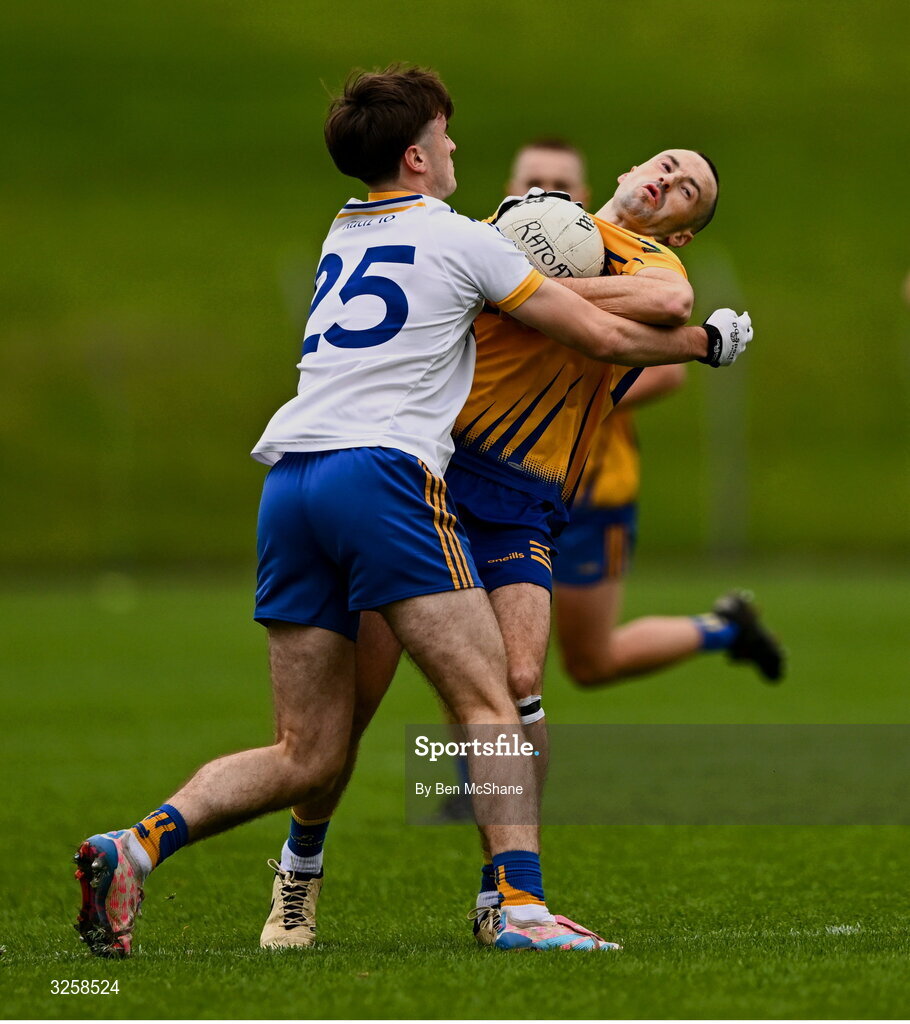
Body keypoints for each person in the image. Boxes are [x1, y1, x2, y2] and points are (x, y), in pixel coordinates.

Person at [73, 66, 749, 958]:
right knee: (472, 705)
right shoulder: (474, 238)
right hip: (405, 479)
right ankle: (506, 909)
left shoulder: (351, 227)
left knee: (320, 744)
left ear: (687, 225)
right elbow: (615, 333)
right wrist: (709, 344)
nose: (460, 147)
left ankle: (135, 846)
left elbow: (651, 300)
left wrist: (567, 289)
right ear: (417, 155)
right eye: (447, 134)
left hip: (306, 478)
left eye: (687, 186)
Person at [259, 125, 752, 949]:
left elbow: (667, 311)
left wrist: (531, 290)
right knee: (355, 707)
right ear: (631, 168)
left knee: (520, 680)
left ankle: (507, 899)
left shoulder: (656, 266)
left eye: (687, 189)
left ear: (683, 228)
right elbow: (480, 286)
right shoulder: (510, 229)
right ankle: (299, 872)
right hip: (435, 474)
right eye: (664, 164)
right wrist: (522, 281)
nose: (668, 180)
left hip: (526, 496)